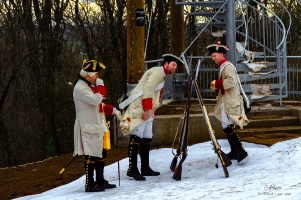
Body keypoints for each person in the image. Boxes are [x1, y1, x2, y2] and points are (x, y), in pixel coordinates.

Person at [119, 54, 184, 181]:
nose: (174, 68)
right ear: (166, 64)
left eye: (175, 66)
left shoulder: (162, 75)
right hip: (141, 108)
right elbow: (148, 90)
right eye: (173, 65)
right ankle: (132, 169)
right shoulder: (157, 73)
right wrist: (147, 109)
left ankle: (145, 168)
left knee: (147, 137)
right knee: (136, 137)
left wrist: (151, 111)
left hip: (147, 109)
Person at [73, 59, 121, 192]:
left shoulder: (89, 86)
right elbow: (96, 100)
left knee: (101, 153)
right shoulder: (80, 88)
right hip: (88, 126)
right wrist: (101, 86)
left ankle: (100, 181)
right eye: (96, 74)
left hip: (98, 125)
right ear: (88, 74)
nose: (98, 77)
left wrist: (113, 110)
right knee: (91, 155)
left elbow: (100, 105)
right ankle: (90, 184)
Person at [207, 41, 249, 163]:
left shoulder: (228, 67)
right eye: (212, 56)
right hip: (226, 101)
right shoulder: (223, 67)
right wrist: (217, 86)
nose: (213, 58)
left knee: (227, 126)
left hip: (230, 102)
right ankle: (236, 151)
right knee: (226, 126)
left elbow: (232, 81)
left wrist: (218, 84)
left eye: (214, 56)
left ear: (222, 54)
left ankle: (240, 151)